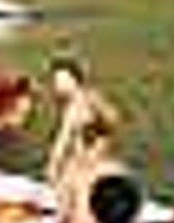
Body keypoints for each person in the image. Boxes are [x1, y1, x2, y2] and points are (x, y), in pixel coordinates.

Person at [44, 56, 119, 196]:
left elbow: (63, 138)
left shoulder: (79, 104)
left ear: (74, 80)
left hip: (86, 163)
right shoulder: (88, 99)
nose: (57, 85)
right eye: (56, 81)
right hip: (87, 159)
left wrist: (53, 165)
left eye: (62, 80)